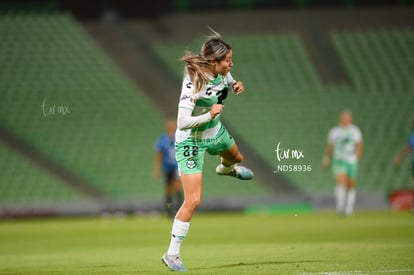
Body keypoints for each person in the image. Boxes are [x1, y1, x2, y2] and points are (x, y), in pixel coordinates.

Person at [161, 29, 254, 272]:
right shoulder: (195, 83)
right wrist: (207, 114)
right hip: (190, 141)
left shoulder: (220, 70)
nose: (231, 64)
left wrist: (234, 84)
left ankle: (226, 169)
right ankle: (172, 254)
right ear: (213, 62)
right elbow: (181, 122)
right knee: (193, 200)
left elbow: (226, 77)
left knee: (237, 157)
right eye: (227, 61)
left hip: (214, 132)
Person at [322, 109, 363, 216]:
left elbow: (359, 146)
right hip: (339, 160)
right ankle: (340, 207)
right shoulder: (335, 131)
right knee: (341, 182)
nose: (345, 119)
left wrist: (356, 158)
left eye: (347, 117)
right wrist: (326, 159)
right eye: (343, 117)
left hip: (351, 160)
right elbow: (330, 147)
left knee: (350, 185)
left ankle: (349, 208)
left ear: (350, 119)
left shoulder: (355, 130)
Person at [153, 117, 183, 217]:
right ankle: (169, 209)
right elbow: (159, 155)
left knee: (178, 186)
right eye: (169, 124)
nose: (171, 126)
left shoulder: (179, 137)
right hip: (167, 167)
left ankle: (180, 210)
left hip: (177, 166)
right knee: (168, 189)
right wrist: (156, 169)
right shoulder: (162, 139)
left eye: (172, 123)